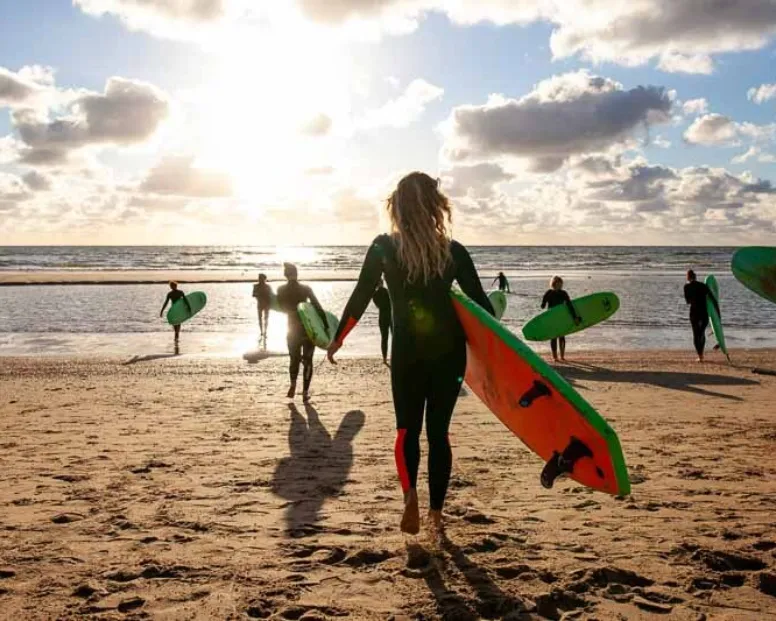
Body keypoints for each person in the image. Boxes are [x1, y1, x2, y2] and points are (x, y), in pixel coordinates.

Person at [326, 171, 494, 540]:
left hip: (406, 351)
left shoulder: (383, 246)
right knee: (439, 434)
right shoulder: (453, 251)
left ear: (396, 206)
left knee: (406, 430)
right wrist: (499, 353)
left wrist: (338, 338)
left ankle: (410, 496)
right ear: (437, 206)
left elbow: (360, 295)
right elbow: (484, 309)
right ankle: (436, 515)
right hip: (449, 352)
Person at [276, 262, 328, 402]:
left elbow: (280, 307)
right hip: (308, 330)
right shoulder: (306, 289)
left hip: (292, 329)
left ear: (285, 275)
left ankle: (293, 384)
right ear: (297, 274)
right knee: (308, 360)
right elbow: (318, 307)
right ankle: (305, 392)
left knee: (294, 359)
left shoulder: (280, 290)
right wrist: (326, 325)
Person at [541, 276, 580, 362]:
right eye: (558, 284)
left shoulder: (564, 293)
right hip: (551, 317)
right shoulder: (549, 293)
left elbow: (570, 305)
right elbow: (543, 305)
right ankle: (555, 356)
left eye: (561, 284)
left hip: (561, 317)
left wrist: (575, 317)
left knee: (562, 336)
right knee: (553, 336)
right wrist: (543, 303)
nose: (560, 285)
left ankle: (562, 356)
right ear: (553, 284)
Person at [684, 269, 720, 362]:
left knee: (696, 335)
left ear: (688, 277)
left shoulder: (686, 287)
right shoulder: (703, 286)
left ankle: (700, 356)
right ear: (695, 276)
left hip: (694, 312)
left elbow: (688, 302)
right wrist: (717, 313)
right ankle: (701, 354)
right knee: (701, 333)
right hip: (704, 312)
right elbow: (713, 299)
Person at [372, 278, 392, 365]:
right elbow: (392, 303)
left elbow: (378, 305)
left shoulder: (375, 295)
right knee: (393, 336)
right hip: (390, 315)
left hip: (382, 316)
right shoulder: (388, 292)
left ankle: (384, 358)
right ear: (382, 283)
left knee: (384, 338)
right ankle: (393, 356)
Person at [252, 273, 273, 340]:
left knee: (265, 318)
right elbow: (253, 294)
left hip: (265, 304)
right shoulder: (256, 286)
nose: (260, 280)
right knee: (261, 318)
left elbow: (271, 295)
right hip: (261, 304)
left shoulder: (267, 286)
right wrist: (259, 295)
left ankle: (265, 331)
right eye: (259, 278)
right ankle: (262, 331)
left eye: (261, 278)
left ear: (264, 279)